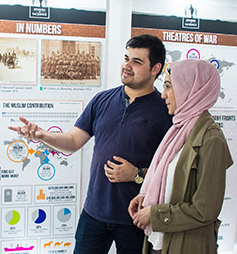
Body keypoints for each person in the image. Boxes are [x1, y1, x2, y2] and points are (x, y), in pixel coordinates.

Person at [9, 34, 173, 254]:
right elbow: (73, 141)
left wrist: (136, 174)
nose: (127, 65)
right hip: (94, 212)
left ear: (155, 68)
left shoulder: (166, 111)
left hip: (136, 218)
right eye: (126, 58)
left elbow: (171, 170)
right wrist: (41, 135)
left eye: (137, 61)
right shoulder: (101, 100)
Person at [128, 59, 233, 254]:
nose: (163, 94)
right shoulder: (178, 130)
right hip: (159, 241)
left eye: (169, 86)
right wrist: (145, 197)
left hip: (185, 245)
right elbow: (168, 182)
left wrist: (154, 214)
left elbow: (204, 211)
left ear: (192, 90)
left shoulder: (211, 139)